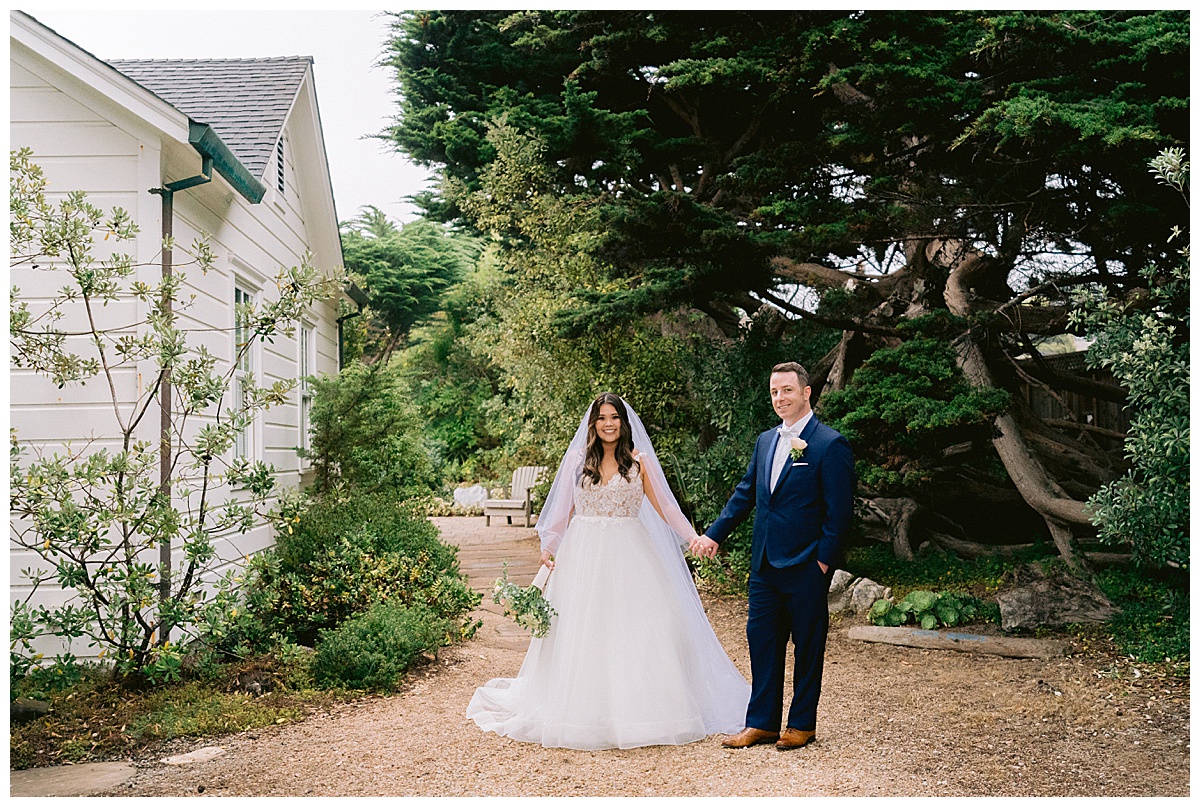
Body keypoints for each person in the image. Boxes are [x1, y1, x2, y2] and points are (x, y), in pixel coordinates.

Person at [466, 393, 750, 750]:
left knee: (643, 626)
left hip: (632, 551)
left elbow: (666, 507)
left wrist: (694, 537)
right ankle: (583, 709)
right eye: (601, 418)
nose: (608, 423)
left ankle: (645, 709)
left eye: (614, 417)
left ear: (624, 423)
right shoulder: (577, 461)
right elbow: (560, 510)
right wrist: (549, 545)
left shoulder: (639, 462)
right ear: (593, 424)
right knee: (583, 627)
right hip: (583, 553)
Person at [691, 362, 854, 751]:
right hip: (764, 563)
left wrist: (822, 562)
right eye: (774, 392)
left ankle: (801, 724)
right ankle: (762, 723)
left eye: (787, 391)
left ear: (806, 392)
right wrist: (714, 534)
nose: (780, 398)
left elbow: (840, 514)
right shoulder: (766, 441)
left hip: (806, 565)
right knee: (761, 641)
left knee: (808, 645)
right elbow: (746, 494)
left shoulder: (830, 444)